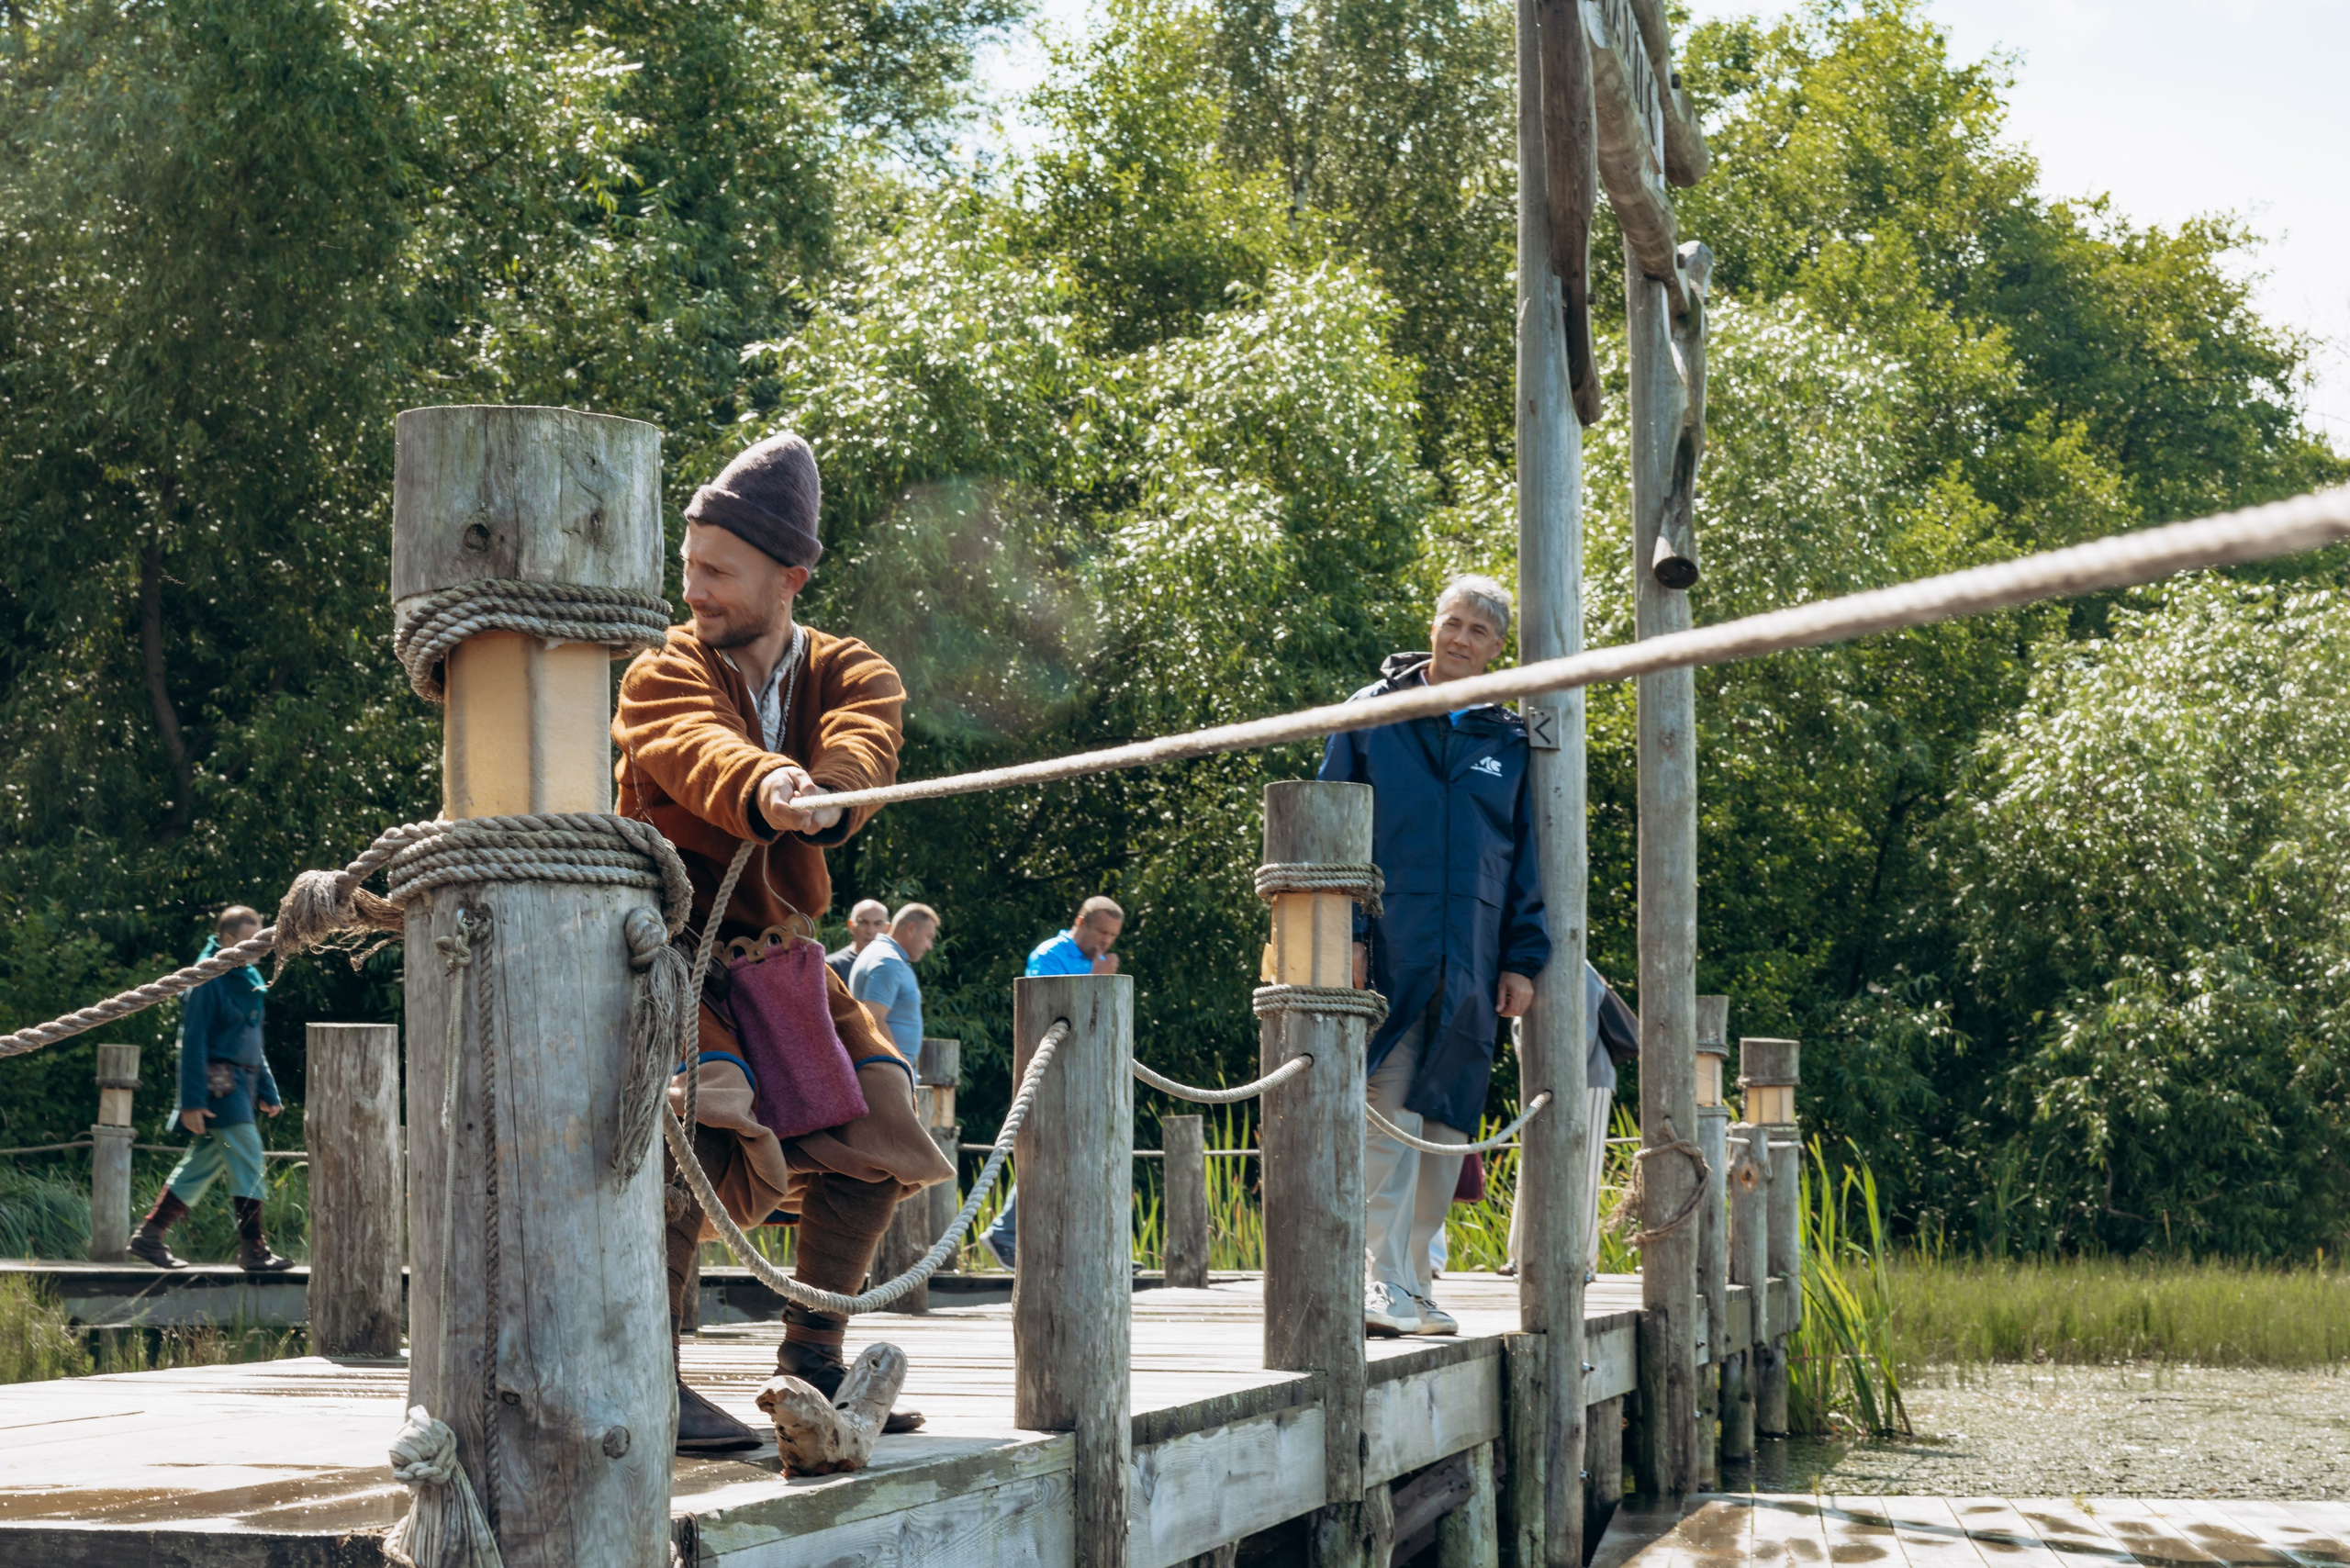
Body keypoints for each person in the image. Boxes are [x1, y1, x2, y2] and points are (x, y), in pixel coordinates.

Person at [614, 429, 954, 1454]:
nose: (697, 591)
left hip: (780, 957)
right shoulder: (659, 668)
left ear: (789, 576)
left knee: (884, 1123)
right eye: (691, 569)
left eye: (718, 572)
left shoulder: (852, 668)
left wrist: (831, 793)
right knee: (694, 1132)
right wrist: (765, 784)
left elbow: (865, 741)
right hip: (672, 956)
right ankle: (646, 1371)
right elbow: (686, 743)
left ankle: (812, 1355)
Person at [1317, 575, 1550, 1338]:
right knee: (1384, 1114)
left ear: (1497, 649)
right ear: (1434, 625)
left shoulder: (1508, 739)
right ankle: (1380, 1283)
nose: (1461, 640)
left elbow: (1524, 860)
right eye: (1453, 623)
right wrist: (1346, 935)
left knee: (1445, 1127)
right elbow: (1329, 830)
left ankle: (1414, 1282)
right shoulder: (1370, 715)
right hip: (1388, 946)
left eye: (1479, 632)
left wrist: (1522, 957)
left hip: (1475, 963)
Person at [127, 906, 294, 1272]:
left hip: (243, 1087)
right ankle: (254, 1249)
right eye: (254, 941)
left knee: (200, 1166)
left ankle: (149, 1236)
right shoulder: (207, 977)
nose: (261, 948)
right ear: (229, 941)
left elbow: (251, 1040)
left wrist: (268, 1089)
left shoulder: (246, 975)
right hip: (220, 1089)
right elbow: (192, 1042)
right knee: (249, 1158)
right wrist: (191, 1102)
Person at [979, 897, 1125, 1269]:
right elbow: (1045, 1008)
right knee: (1046, 1151)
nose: (1106, 940)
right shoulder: (1049, 955)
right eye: (1102, 931)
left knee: (1085, 1155)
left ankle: (1088, 1249)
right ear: (1081, 922)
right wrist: (1099, 981)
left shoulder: (1097, 961)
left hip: (1088, 1073)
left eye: (1113, 935)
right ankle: (1005, 1232)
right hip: (1050, 1070)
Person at [1503, 963, 1639, 1275]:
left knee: (1584, 1170)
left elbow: (1585, 1024)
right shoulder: (1526, 960)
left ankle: (1583, 1260)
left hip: (1587, 1079)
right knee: (1531, 1164)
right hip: (1541, 1081)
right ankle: (1519, 1255)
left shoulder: (1577, 962)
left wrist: (1564, 1074)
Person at [849, 903, 939, 1058]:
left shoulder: (882, 954)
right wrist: (901, 1066)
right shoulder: (888, 961)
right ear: (911, 929)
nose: (929, 946)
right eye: (928, 937)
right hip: (887, 1071)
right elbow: (873, 1019)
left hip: (886, 1069)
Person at [826, 898, 890, 984]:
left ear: (887, 929)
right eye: (863, 922)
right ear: (851, 926)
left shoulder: (892, 965)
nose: (870, 931)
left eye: (877, 924)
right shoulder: (832, 966)